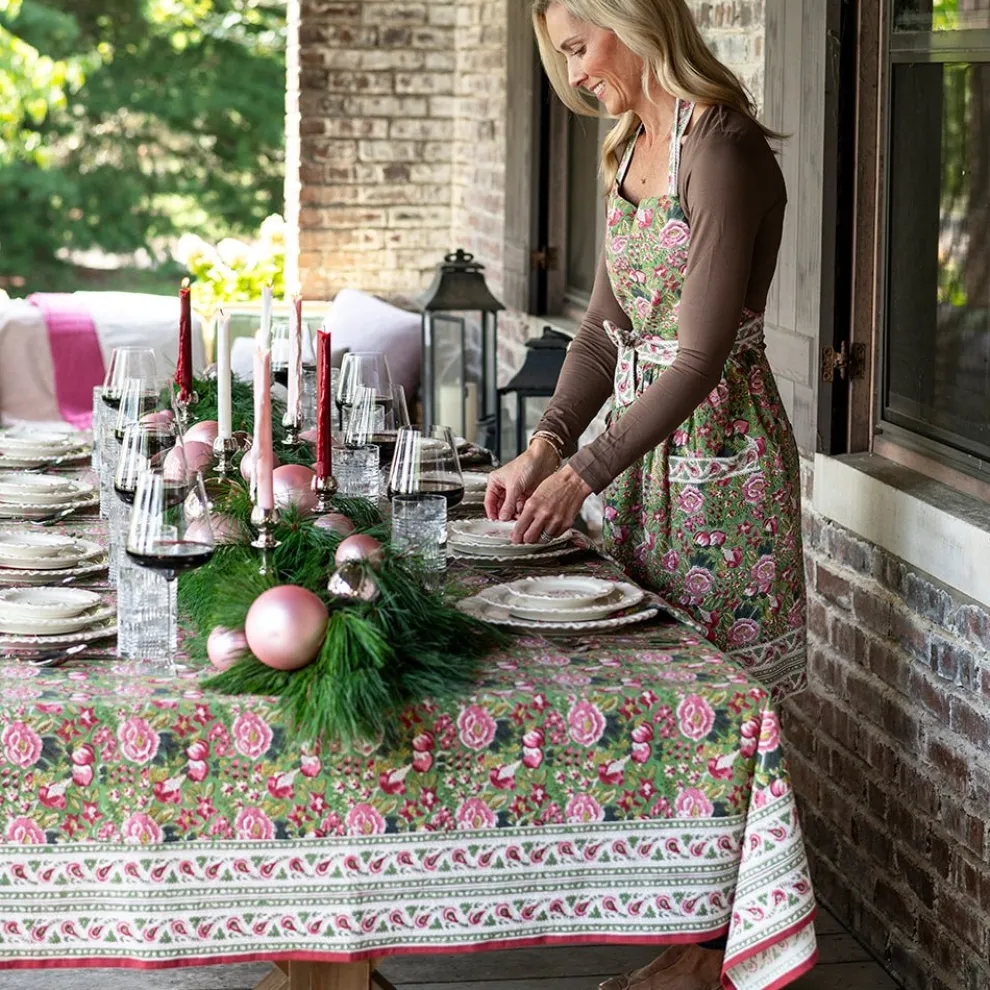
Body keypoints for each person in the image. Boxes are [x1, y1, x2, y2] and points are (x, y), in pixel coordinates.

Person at [484, 1, 808, 987]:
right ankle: (671, 940)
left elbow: (701, 356)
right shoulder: (629, 146)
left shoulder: (724, 148)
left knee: (721, 711)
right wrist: (543, 445)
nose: (576, 74)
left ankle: (708, 957)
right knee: (660, 705)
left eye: (580, 47)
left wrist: (583, 469)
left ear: (634, 19)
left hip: (718, 467)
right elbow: (597, 334)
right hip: (636, 463)